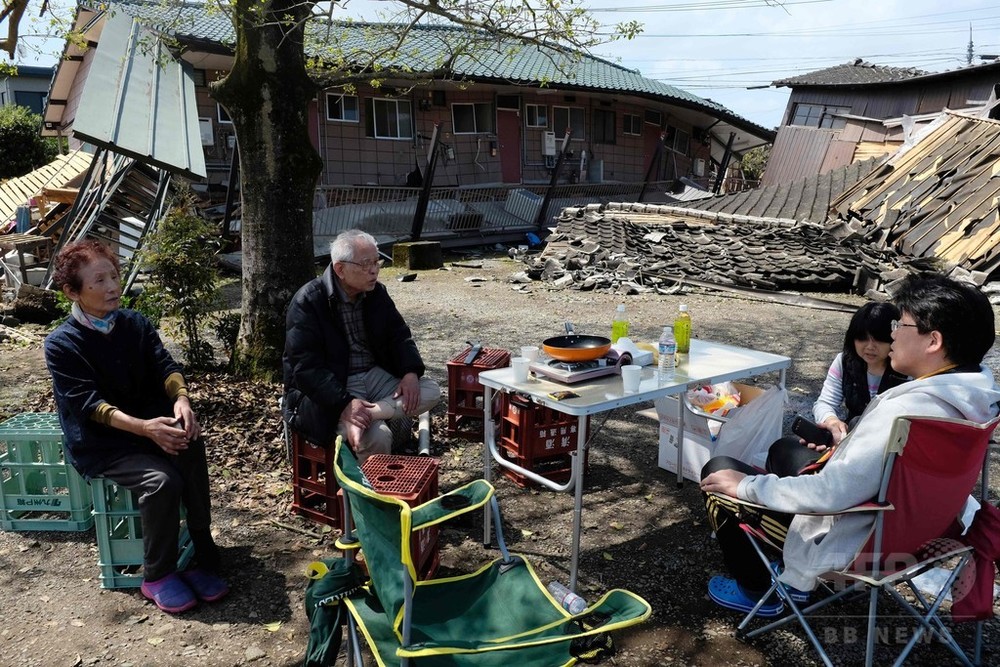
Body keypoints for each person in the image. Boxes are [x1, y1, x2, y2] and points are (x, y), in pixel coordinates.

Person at [699, 274, 1000, 617]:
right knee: (786, 453)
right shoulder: (976, 402)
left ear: (933, 341)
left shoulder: (903, 409)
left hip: (858, 545)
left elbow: (830, 495)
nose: (892, 334)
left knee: (718, 471)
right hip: (924, 535)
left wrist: (748, 486)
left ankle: (761, 592)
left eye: (900, 324)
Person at [44, 239, 227, 614]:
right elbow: (89, 405)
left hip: (149, 427)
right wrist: (145, 428)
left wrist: (182, 400)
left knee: (191, 443)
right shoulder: (61, 344)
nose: (112, 286)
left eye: (114, 275)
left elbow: (165, 365)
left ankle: (200, 547)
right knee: (161, 482)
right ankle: (157, 574)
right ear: (71, 291)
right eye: (99, 280)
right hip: (102, 444)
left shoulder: (134, 323)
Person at [282, 229, 441, 463]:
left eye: (376, 261)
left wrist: (409, 372)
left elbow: (399, 336)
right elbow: (306, 368)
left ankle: (369, 413)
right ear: (340, 269)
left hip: (374, 376)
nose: (374, 270)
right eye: (366, 264)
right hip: (337, 382)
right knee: (378, 438)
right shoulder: (309, 301)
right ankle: (365, 498)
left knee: (430, 390)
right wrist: (345, 403)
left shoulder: (376, 293)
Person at [765, 301, 909, 477]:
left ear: (895, 338)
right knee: (782, 448)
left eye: (879, 339)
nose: (870, 346)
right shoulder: (845, 362)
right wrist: (832, 423)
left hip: (886, 453)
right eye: (862, 338)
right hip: (845, 443)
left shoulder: (907, 371)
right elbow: (825, 402)